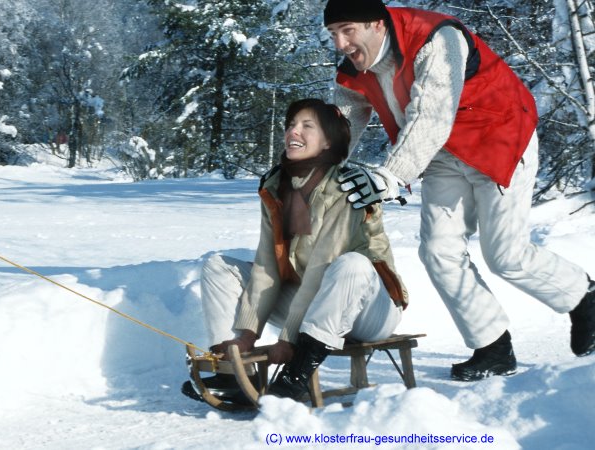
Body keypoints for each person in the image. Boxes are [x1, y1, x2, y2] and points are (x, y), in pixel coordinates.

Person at [322, 0, 595, 381]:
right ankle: (493, 346)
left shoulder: (437, 37)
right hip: (440, 155)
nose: (340, 43)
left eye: (347, 29)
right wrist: (314, 172)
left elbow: (432, 114)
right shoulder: (356, 67)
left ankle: (584, 297)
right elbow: (344, 123)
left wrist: (391, 175)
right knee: (438, 250)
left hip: (497, 138)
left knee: (506, 255)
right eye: (333, 33)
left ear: (376, 23)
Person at [182, 99, 409, 405]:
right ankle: (234, 374)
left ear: (328, 140)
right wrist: (247, 334)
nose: (293, 131)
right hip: (313, 303)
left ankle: (297, 374)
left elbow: (321, 266)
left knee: (350, 264)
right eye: (291, 124)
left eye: (307, 126)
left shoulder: (348, 186)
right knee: (218, 265)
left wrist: (288, 340)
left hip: (370, 309)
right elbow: (267, 266)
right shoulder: (277, 187)